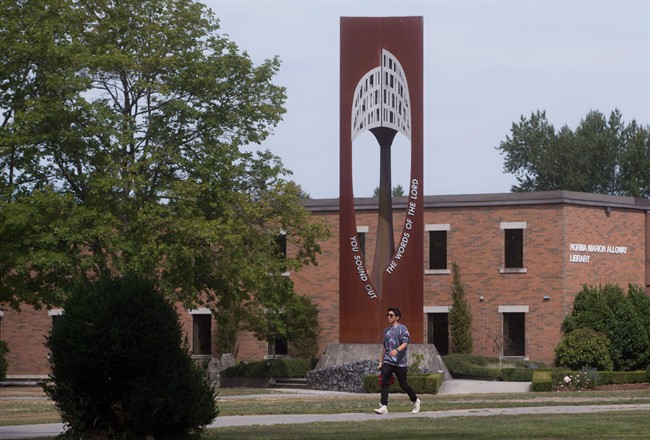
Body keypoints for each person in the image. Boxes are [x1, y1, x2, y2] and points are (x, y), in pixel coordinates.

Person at [374, 307, 420, 415]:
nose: (388, 317)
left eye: (391, 315)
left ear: (397, 317)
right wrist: (381, 361)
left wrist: (397, 350)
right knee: (384, 382)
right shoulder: (386, 331)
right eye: (388, 315)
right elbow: (385, 347)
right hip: (388, 361)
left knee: (404, 385)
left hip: (400, 362)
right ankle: (384, 406)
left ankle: (415, 400)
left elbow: (405, 343)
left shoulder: (402, 329)